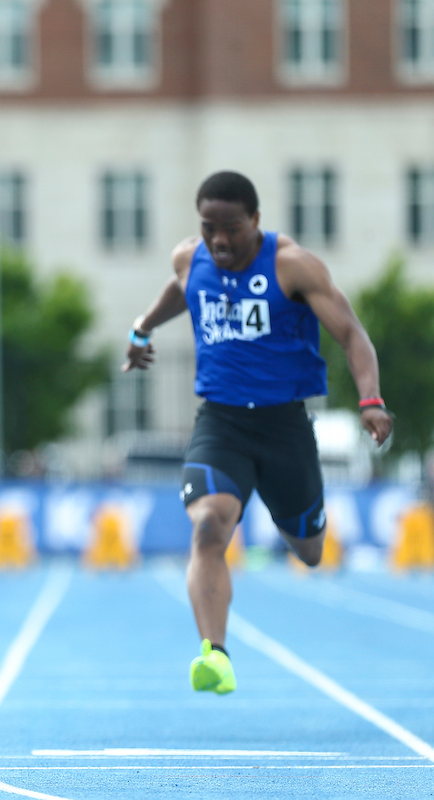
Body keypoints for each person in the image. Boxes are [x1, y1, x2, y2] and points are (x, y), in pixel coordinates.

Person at [122, 170, 392, 695]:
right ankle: (214, 656)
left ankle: (297, 525)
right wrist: (142, 326)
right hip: (220, 422)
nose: (219, 241)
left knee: (309, 550)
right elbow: (182, 288)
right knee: (209, 526)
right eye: (208, 228)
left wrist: (371, 399)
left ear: (256, 222)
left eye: (232, 229)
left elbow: (352, 334)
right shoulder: (190, 257)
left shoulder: (292, 266)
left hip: (284, 424)